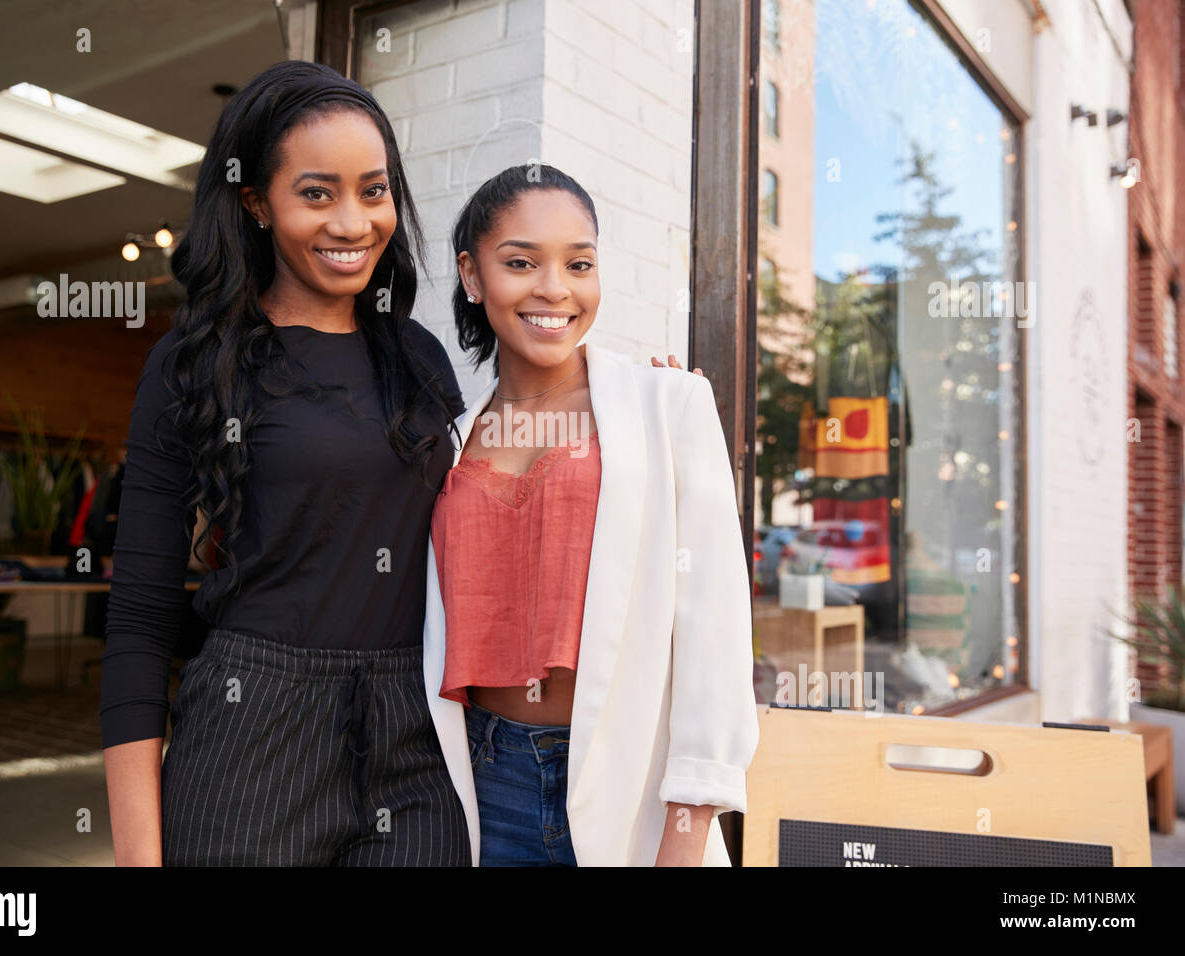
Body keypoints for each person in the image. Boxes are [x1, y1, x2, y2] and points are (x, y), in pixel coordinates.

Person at [100, 61, 471, 866]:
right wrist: (136, 856)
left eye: (373, 192)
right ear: (254, 202)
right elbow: (137, 622)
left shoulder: (418, 359)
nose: (353, 221)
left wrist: (643, 401)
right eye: (316, 193)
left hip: (418, 737)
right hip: (252, 730)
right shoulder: (193, 364)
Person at [422, 164, 759, 866]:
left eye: (579, 263)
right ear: (473, 275)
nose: (555, 288)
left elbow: (715, 633)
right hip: (482, 787)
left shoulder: (667, 406)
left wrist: (688, 829)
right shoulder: (447, 441)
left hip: (628, 790)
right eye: (521, 262)